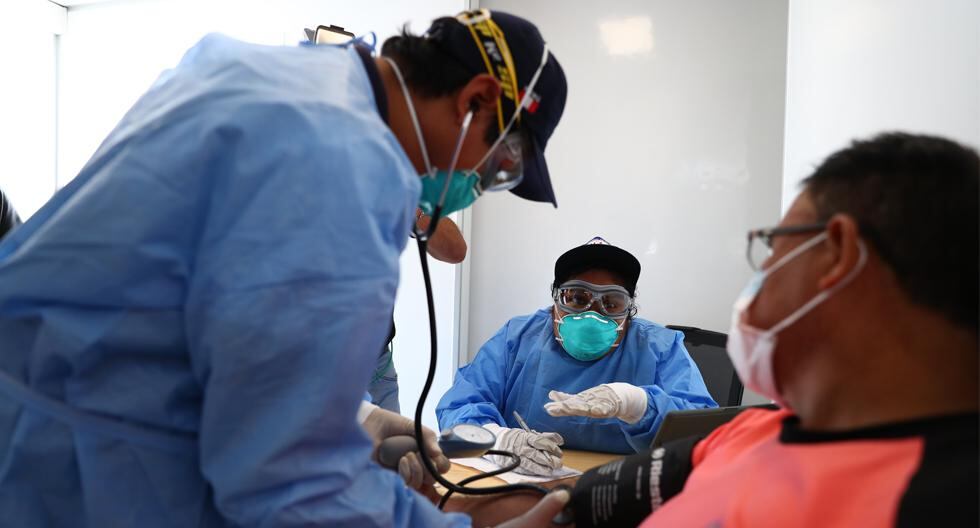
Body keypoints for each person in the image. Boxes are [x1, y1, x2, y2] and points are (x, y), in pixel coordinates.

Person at [0, 9, 571, 527]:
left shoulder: (266, 74)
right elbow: (290, 489)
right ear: (474, 99)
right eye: (500, 167)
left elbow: (186, 315)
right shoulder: (344, 167)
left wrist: (348, 418)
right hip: (73, 476)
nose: (479, 185)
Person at [566, 132, 979, 527]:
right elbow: (581, 505)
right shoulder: (757, 430)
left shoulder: (932, 504)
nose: (762, 271)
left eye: (774, 244)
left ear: (838, 255)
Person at [437, 237, 717, 475]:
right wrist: (499, 441)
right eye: (577, 298)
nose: (592, 313)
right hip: (525, 483)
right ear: (555, 302)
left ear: (629, 310)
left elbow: (704, 431)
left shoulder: (660, 348)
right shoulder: (519, 337)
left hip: (624, 489)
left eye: (611, 302)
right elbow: (457, 406)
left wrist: (639, 404)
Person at [369, 210, 467, 413]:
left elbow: (455, 250)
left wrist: (415, 207)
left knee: (395, 444)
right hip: (311, 365)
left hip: (375, 364)